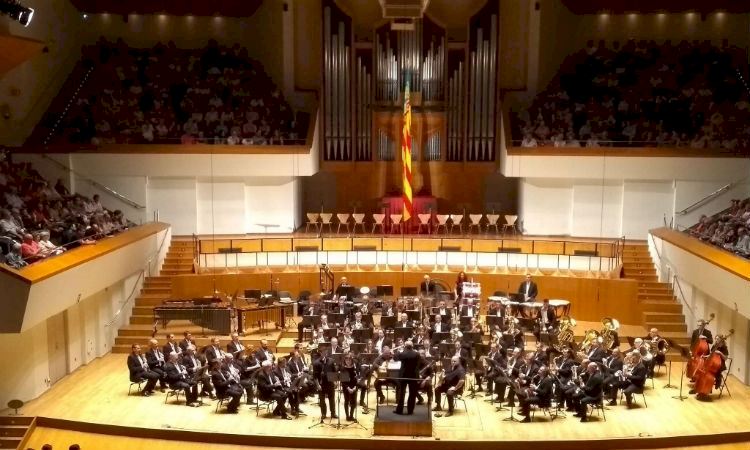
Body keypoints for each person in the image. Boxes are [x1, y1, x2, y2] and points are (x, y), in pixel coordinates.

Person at [394, 340, 420, 415]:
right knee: (412, 394)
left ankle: (399, 410)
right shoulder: (417, 354)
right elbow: (418, 365)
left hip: (403, 375)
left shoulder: (402, 354)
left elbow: (395, 358)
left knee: (401, 393)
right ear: (412, 346)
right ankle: (410, 410)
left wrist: (398, 351)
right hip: (413, 375)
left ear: (405, 346)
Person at [313, 350, 337, 420]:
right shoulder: (316, 363)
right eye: (323, 352)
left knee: (332, 399)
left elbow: (334, 372)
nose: (325, 354)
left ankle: (333, 413)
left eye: (326, 352)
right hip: (321, 384)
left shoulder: (331, 361)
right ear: (320, 353)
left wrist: (335, 381)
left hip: (330, 383)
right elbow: (315, 376)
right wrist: (318, 385)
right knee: (322, 400)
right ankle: (323, 413)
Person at [340, 351, 360, 421]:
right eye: (346, 360)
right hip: (346, 387)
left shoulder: (354, 368)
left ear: (352, 361)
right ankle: (347, 416)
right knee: (346, 401)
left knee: (353, 402)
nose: (348, 361)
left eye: (349, 360)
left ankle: (351, 415)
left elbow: (357, 379)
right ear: (345, 361)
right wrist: (348, 388)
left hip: (354, 387)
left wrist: (354, 387)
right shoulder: (343, 369)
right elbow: (343, 381)